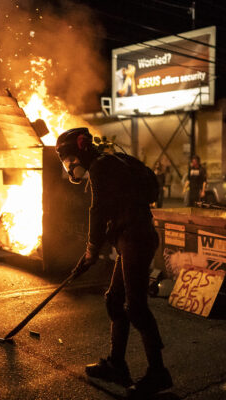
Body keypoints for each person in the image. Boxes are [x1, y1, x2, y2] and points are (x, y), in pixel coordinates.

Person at [55, 127, 172, 397]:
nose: (69, 166)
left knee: (136, 307)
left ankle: (158, 373)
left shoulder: (101, 167)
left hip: (136, 240)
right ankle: (117, 364)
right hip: (130, 240)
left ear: (81, 150)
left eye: (69, 159)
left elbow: (97, 210)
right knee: (113, 300)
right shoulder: (110, 163)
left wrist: (90, 251)